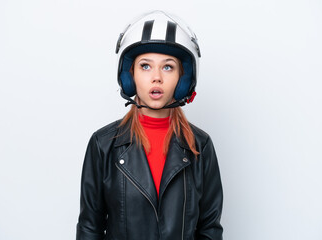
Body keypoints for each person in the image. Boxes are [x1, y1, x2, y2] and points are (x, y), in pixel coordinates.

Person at [76, 10, 223, 240]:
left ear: (183, 80)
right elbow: (89, 228)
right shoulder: (103, 144)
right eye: (145, 66)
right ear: (129, 75)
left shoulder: (200, 146)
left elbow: (210, 229)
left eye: (168, 67)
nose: (156, 77)